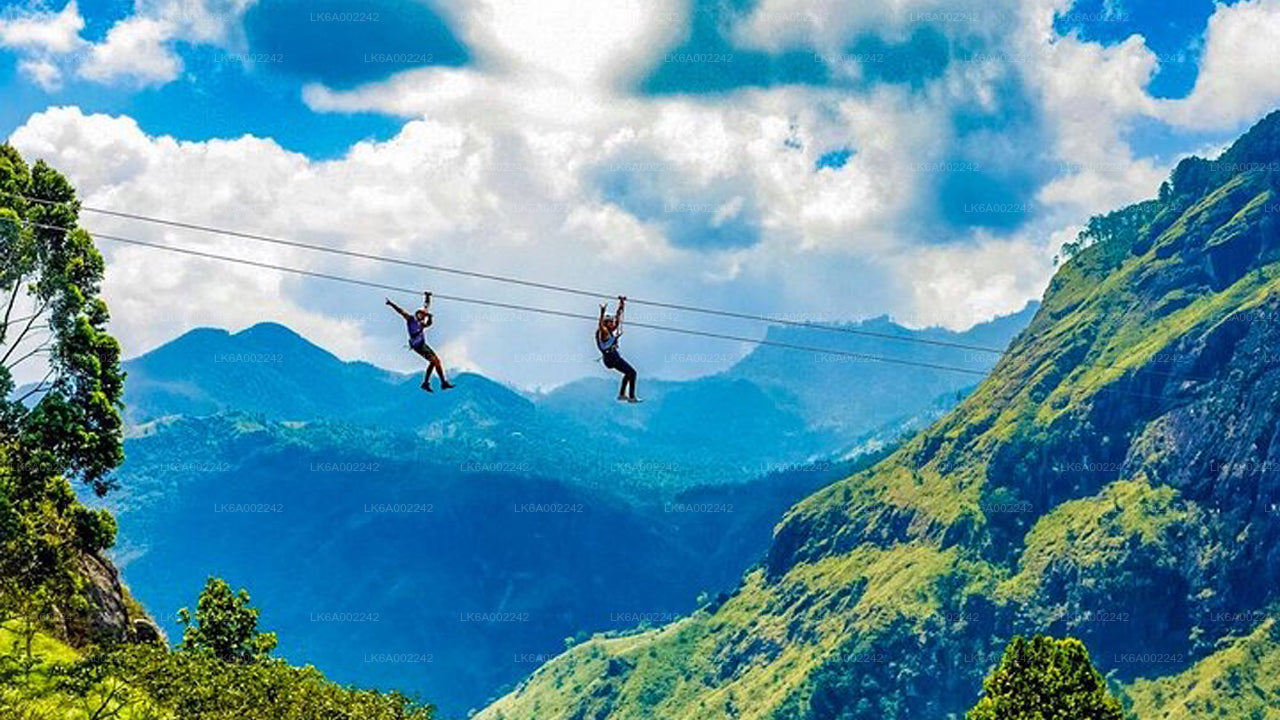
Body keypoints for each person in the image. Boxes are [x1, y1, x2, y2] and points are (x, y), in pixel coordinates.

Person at [387, 292, 454, 392]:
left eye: (423, 315)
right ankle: (429, 383)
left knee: (436, 362)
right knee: (434, 361)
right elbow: (401, 311)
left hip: (423, 344)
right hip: (417, 345)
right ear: (417, 314)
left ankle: (440, 382)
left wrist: (427, 297)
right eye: (421, 314)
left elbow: (427, 309)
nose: (422, 316)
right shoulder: (411, 319)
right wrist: (391, 304)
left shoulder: (421, 322)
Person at [597, 296, 639, 402]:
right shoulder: (604, 332)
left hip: (611, 358)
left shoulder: (610, 330)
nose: (612, 324)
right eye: (610, 322)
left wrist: (621, 305)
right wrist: (602, 312)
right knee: (632, 373)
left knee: (629, 373)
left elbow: (617, 320)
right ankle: (632, 397)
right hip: (612, 358)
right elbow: (600, 325)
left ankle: (622, 395)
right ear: (606, 323)